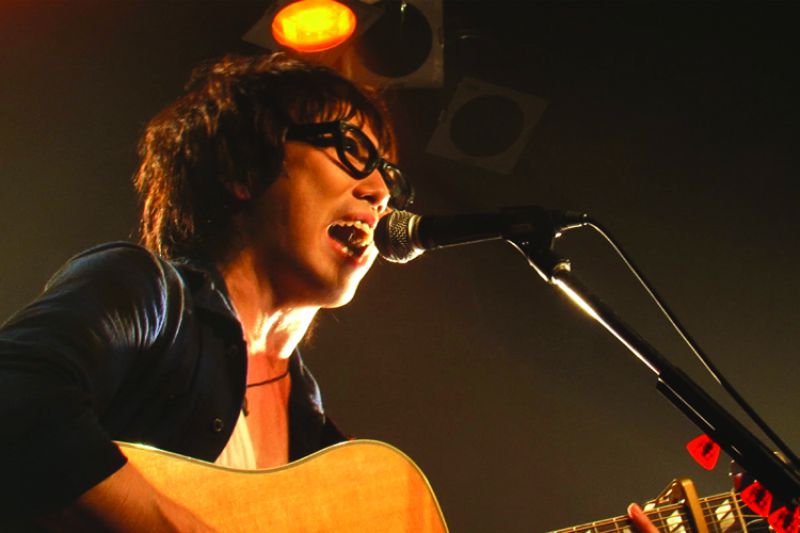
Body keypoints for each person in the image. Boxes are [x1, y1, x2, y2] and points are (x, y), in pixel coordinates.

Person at [0, 51, 657, 531]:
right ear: (241, 169)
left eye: (388, 173)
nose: (379, 191)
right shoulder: (148, 295)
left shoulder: (316, 438)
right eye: (349, 150)